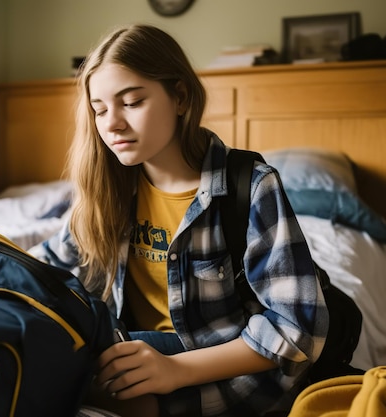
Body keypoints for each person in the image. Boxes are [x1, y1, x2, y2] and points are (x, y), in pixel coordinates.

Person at [30, 24, 329, 417]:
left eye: (132, 102)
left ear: (181, 97)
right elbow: (43, 271)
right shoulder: (109, 191)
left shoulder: (252, 186)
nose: (112, 124)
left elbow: (298, 330)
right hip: (138, 352)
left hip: (228, 363)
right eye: (100, 110)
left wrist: (174, 370)